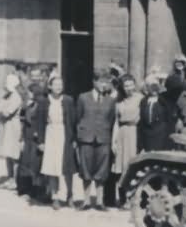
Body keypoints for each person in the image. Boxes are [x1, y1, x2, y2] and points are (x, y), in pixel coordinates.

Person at [75, 70, 117, 211]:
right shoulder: (83, 97)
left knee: (102, 170)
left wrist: (104, 132)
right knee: (86, 169)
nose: (104, 85)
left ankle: (99, 201)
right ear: (94, 82)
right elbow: (78, 117)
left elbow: (111, 120)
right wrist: (81, 134)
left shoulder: (111, 100)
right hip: (86, 138)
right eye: (101, 81)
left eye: (106, 82)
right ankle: (86, 201)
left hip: (103, 138)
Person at [39, 76, 78, 210]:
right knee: (52, 167)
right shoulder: (44, 101)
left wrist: (74, 139)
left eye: (60, 85)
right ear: (50, 86)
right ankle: (55, 196)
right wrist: (41, 141)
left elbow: (74, 121)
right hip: (50, 135)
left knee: (67, 167)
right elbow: (40, 123)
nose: (58, 87)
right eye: (55, 85)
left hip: (65, 135)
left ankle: (70, 195)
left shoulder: (68, 100)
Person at [111, 74, 142, 208]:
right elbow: (116, 122)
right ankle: (122, 198)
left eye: (131, 85)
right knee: (120, 166)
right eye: (126, 86)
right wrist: (114, 141)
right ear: (122, 88)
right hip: (122, 134)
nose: (129, 88)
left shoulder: (140, 98)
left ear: (134, 85)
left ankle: (133, 198)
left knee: (132, 165)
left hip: (134, 132)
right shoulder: (118, 101)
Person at [0, 74, 23, 190]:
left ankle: (15, 180)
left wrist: (1, 112)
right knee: (7, 154)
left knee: (13, 154)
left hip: (13, 127)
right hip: (5, 126)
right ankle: (10, 177)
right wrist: (1, 112)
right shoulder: (6, 96)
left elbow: (7, 113)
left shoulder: (16, 97)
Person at [16, 83, 45, 199]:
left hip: (36, 139)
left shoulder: (42, 105)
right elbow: (24, 122)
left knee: (35, 165)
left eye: (30, 92)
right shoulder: (30, 105)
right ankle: (24, 189)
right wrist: (21, 139)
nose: (28, 94)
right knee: (25, 163)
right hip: (27, 137)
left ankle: (35, 191)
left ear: (35, 92)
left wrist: (39, 133)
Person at [138, 80, 174, 153]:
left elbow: (169, 120)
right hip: (147, 136)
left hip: (161, 136)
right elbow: (142, 122)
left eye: (156, 86)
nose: (154, 89)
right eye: (151, 86)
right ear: (147, 87)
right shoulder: (143, 101)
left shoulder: (165, 101)